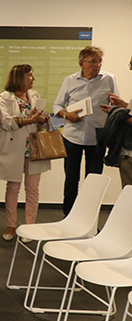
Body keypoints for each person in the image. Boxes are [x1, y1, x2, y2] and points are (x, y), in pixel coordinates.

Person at [52, 46, 116, 214]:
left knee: (93, 183)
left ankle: (89, 221)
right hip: (72, 136)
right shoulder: (70, 80)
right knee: (71, 181)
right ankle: (68, 218)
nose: (98, 65)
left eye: (100, 61)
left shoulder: (109, 79)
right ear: (82, 63)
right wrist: (67, 115)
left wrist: (112, 109)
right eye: (93, 61)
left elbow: (116, 104)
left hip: (97, 137)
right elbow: (57, 105)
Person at [0, 65, 51, 240]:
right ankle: (11, 225)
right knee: (13, 188)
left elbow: (44, 120)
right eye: (30, 76)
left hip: (33, 147)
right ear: (19, 78)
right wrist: (29, 119)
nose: (33, 79)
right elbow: (7, 123)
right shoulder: (4, 97)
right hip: (14, 147)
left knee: (32, 189)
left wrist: (42, 119)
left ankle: (30, 227)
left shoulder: (35, 95)